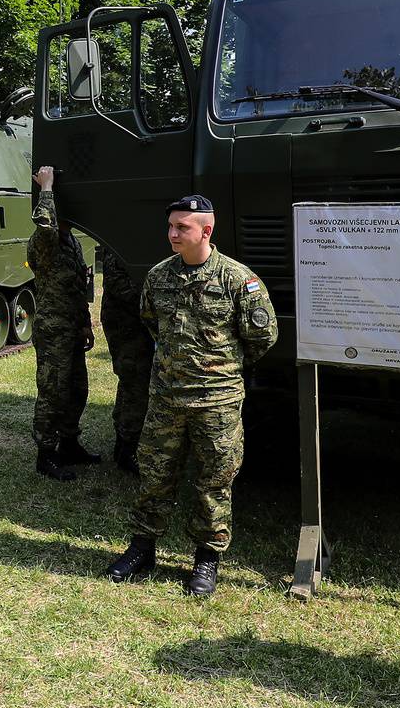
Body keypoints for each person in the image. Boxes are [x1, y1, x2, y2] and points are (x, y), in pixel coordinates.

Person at [106, 193, 277, 597]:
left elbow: (262, 337)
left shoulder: (238, 281)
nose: (172, 234)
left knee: (213, 480)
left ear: (207, 230)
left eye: (182, 227)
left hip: (216, 403)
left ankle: (206, 558)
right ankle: (143, 548)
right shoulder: (158, 277)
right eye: (170, 226)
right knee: (154, 475)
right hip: (167, 399)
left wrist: (219, 371)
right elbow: (152, 323)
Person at [26, 166, 96, 480]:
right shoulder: (46, 240)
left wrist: (85, 323)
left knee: (77, 389)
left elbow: (79, 285)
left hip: (71, 327)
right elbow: (43, 224)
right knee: (53, 392)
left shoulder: (73, 242)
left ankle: (69, 444)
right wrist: (47, 187)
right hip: (53, 329)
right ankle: (46, 455)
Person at [99, 251, 154, 474]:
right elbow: (121, 287)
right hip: (126, 324)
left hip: (134, 324)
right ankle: (128, 449)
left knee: (130, 383)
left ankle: (123, 444)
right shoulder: (118, 250)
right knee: (136, 384)